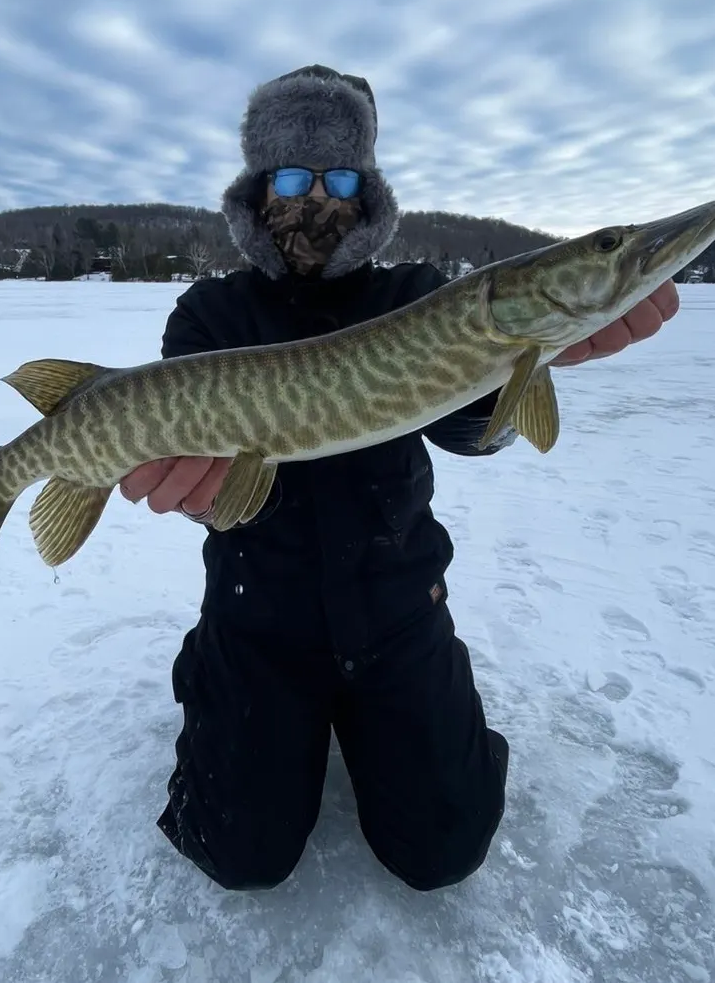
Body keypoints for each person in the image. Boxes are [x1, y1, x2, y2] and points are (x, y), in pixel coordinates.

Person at [119, 64, 680, 892]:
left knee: (443, 850)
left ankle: (427, 729)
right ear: (256, 188)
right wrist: (196, 494)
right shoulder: (211, 314)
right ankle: (214, 672)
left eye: (340, 177)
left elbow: (466, 428)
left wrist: (517, 371)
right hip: (259, 617)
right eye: (292, 178)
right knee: (238, 854)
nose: (316, 199)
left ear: (368, 189)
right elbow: (199, 461)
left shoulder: (419, 297)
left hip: (396, 612)